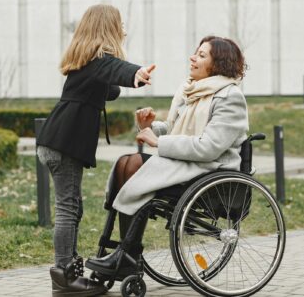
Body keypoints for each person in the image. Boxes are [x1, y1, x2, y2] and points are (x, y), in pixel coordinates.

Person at [85, 35, 249, 278]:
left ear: (218, 65)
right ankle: (124, 253)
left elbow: (208, 147)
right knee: (124, 163)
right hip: (187, 166)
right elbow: (177, 130)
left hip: (209, 172)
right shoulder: (193, 91)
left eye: (202, 55)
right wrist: (150, 127)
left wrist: (157, 141)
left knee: (133, 165)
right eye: (196, 52)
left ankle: (128, 256)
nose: (193, 58)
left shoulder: (230, 97)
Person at [36, 4, 155, 297]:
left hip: (57, 143)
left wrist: (125, 81)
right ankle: (64, 278)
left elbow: (109, 84)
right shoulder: (97, 59)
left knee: (73, 208)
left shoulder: (87, 62)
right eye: (119, 24)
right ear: (108, 28)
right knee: (67, 209)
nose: (122, 28)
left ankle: (70, 271)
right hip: (62, 145)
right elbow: (115, 69)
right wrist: (135, 72)